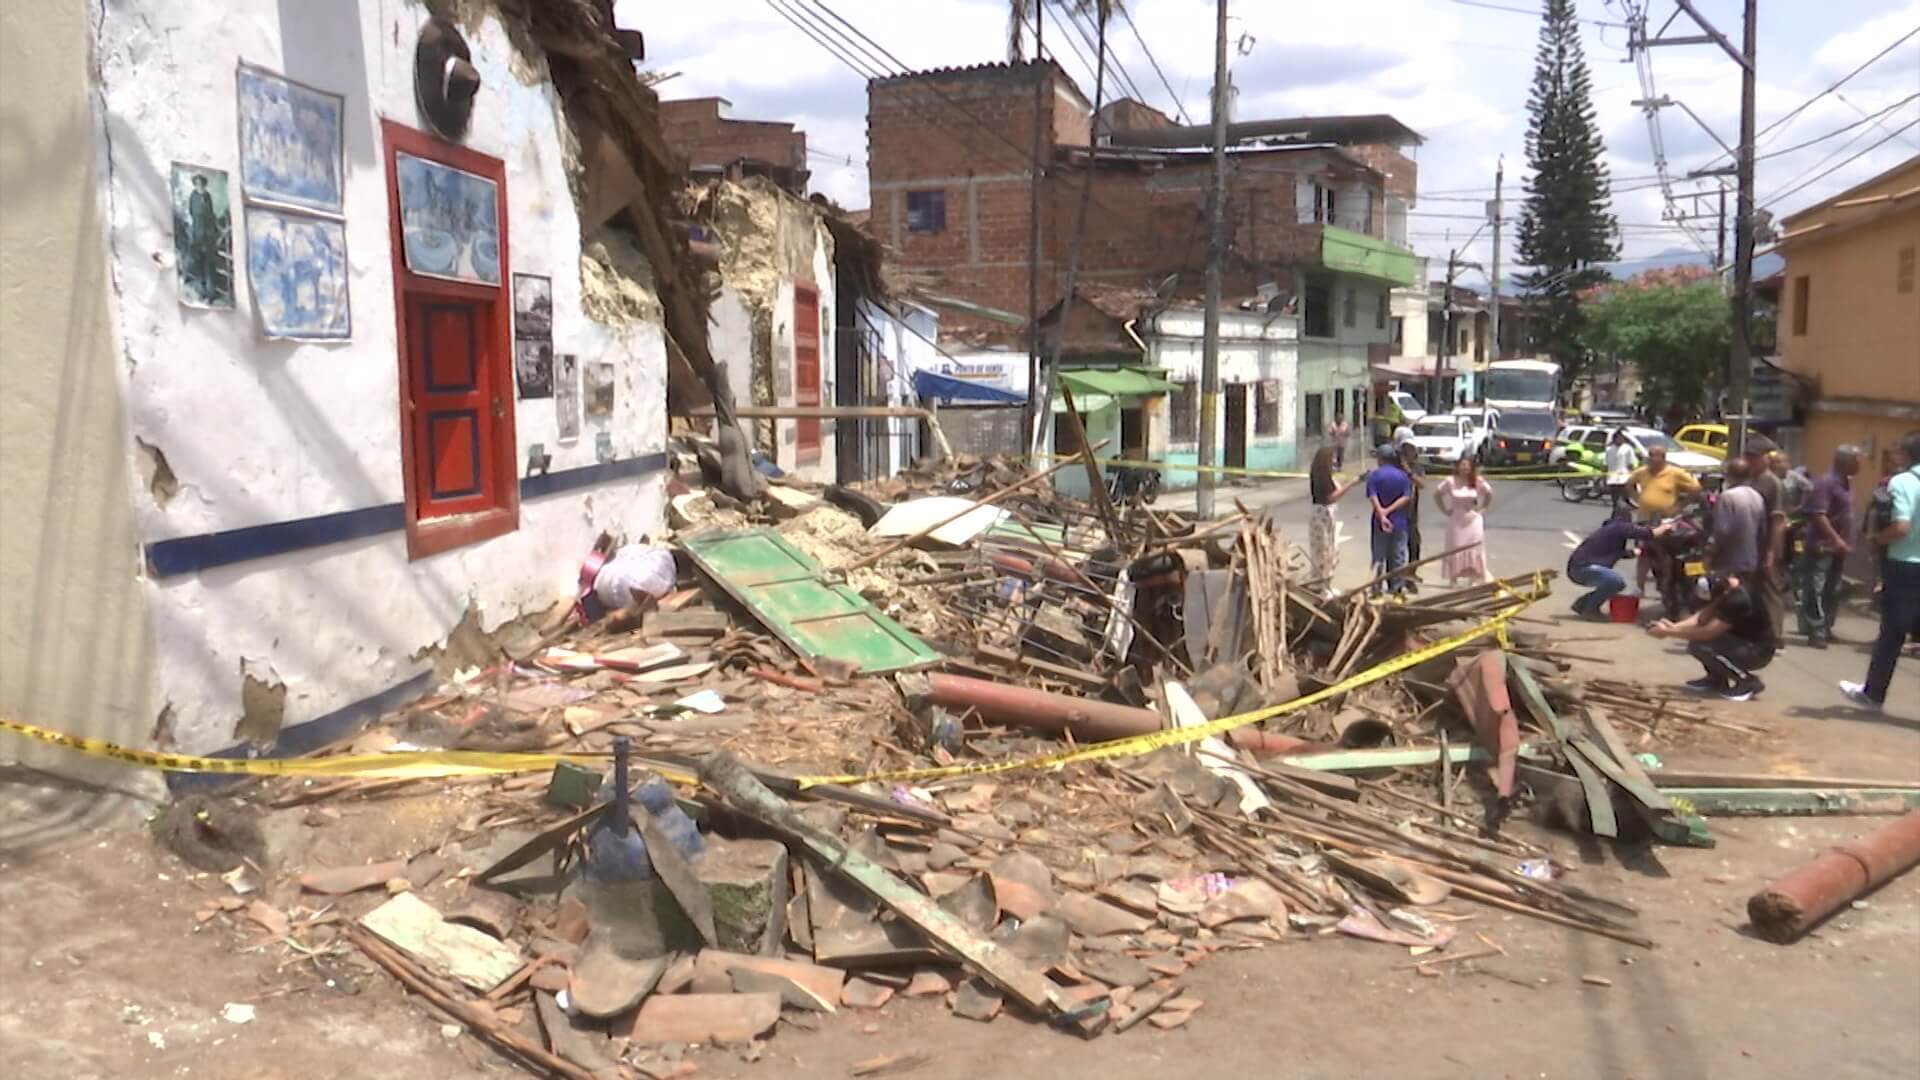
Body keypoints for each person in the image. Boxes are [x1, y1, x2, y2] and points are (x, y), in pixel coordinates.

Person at [1841, 431, 1920, 711]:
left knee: (1892, 633)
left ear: (1907, 455)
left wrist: (1876, 540)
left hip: (1904, 566)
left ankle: (1873, 694)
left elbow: (1901, 526)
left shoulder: (1903, 482)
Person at [1650, 571, 1776, 701]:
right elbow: (1701, 617)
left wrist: (1668, 633)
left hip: (1757, 650)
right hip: (1740, 641)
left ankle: (1748, 682)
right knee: (1697, 643)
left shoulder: (1739, 598)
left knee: (1703, 645)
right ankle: (1717, 679)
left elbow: (1708, 633)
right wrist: (1674, 627)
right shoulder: (1728, 588)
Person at [1797, 445, 1860, 649]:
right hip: (1822, 546)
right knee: (1815, 588)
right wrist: (1835, 539)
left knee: (1832, 589)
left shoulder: (1846, 484)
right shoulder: (1825, 483)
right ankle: (1816, 629)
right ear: (1845, 461)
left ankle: (1826, 626)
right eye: (1856, 460)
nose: (1860, 465)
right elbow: (1818, 515)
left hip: (1838, 548)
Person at [1568, 509, 1676, 617]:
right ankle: (1590, 609)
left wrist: (1633, 552)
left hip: (1579, 568)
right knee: (1616, 581)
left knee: (1615, 583)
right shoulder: (1619, 527)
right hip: (1583, 569)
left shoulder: (1609, 530)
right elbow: (1649, 534)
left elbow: (1614, 552)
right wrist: (1665, 527)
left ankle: (1582, 604)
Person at [1627, 445, 1703, 595]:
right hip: (1646, 519)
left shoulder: (1675, 473)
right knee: (1644, 553)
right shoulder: (1642, 472)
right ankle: (1639, 587)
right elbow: (1629, 484)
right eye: (1650, 455)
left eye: (1655, 456)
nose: (1651, 459)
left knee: (1665, 554)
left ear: (1663, 458)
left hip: (1666, 520)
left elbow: (1696, 489)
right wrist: (1637, 498)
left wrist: (1681, 505)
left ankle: (1667, 585)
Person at [1739, 435, 1790, 644]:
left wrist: (1770, 552)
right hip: (1750, 543)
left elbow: (1778, 520)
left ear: (1765, 458)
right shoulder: (1750, 480)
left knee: (1770, 590)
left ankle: (1775, 636)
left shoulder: (1772, 483)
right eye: (1748, 456)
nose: (1750, 461)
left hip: (1766, 544)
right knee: (1751, 590)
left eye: (1754, 457)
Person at [1307, 446, 1360, 594]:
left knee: (1332, 551)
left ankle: (1326, 585)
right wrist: (1351, 484)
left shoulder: (1329, 476)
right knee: (1322, 553)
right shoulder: (1320, 478)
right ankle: (1320, 587)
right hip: (1321, 516)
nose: (1335, 461)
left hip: (1328, 517)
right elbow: (1331, 497)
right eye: (1333, 459)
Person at [1435, 457, 1495, 586]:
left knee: (1474, 547)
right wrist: (1444, 510)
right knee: (1455, 547)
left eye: (1467, 466)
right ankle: (1453, 578)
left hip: (1473, 519)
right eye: (1462, 465)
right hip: (1456, 518)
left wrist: (1483, 509)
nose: (1464, 468)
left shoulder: (1477, 481)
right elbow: (1437, 494)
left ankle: (1473, 578)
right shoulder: (1450, 481)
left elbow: (1489, 493)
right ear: (1457, 467)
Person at [1366, 443, 1414, 595]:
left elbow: (1373, 496)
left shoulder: (1374, 475)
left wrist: (1382, 513)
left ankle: (1376, 588)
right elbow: (1406, 497)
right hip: (1399, 521)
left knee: (1378, 555)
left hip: (1379, 522)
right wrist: (1389, 510)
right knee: (1398, 555)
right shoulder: (1403, 476)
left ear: (1380, 459)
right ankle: (1397, 587)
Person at [1710, 458, 1767, 578]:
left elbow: (1722, 530)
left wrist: (1711, 551)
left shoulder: (1728, 496)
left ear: (1729, 475)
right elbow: (1762, 531)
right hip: (1751, 559)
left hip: (1730, 561)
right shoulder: (1757, 496)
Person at [1398, 441, 1427, 577]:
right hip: (1397, 513)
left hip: (1411, 515)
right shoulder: (1395, 469)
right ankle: (1396, 578)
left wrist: (1409, 472)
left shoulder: (1416, 468)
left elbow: (1421, 484)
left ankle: (1411, 574)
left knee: (1414, 546)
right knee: (1397, 549)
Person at [1604, 428, 1636, 512]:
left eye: (1621, 438)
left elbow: (1630, 463)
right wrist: (1605, 477)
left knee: (1624, 500)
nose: (1619, 440)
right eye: (1617, 438)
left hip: (1624, 478)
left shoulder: (1627, 448)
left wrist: (1633, 477)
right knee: (1615, 501)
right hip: (1612, 479)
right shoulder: (1609, 449)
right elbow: (1606, 464)